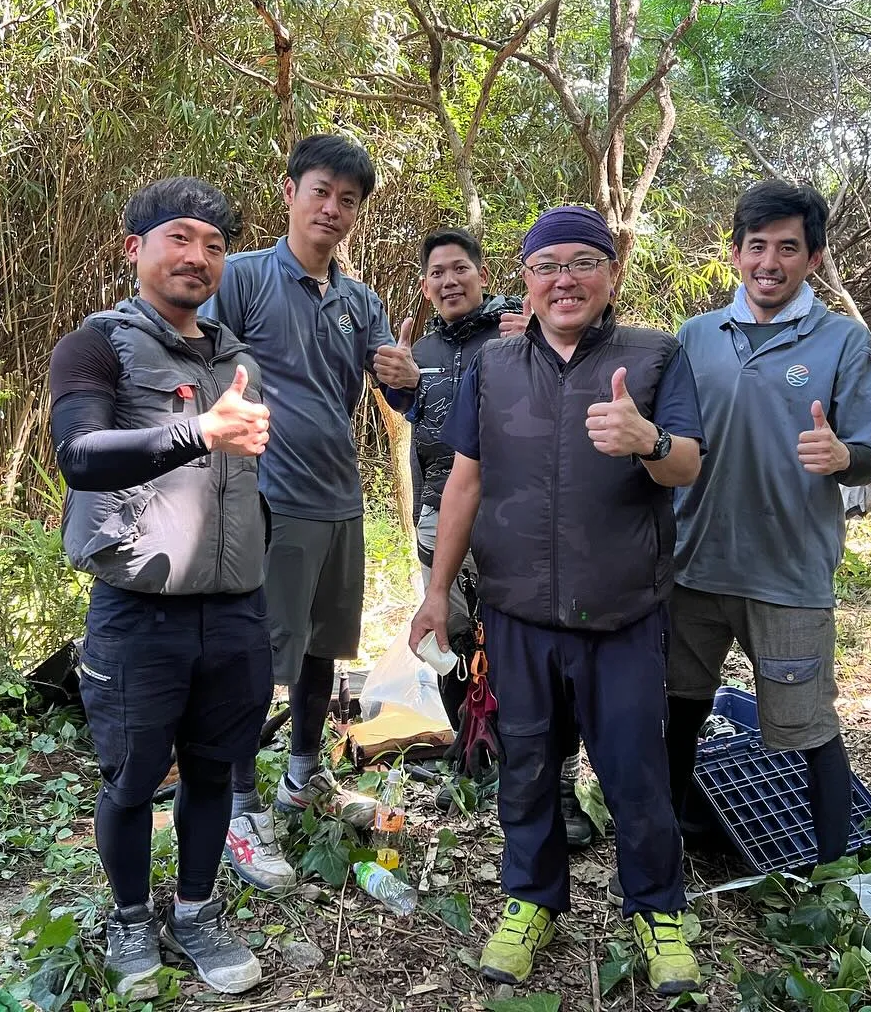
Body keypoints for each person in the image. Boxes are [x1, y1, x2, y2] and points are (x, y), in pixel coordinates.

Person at [410, 206, 707, 995]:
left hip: (622, 613)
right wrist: (438, 592)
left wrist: (646, 440)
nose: (563, 278)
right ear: (527, 280)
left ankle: (655, 910)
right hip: (516, 612)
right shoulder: (495, 365)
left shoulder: (654, 356)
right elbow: (465, 480)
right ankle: (532, 899)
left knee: (636, 772)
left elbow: (687, 465)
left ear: (611, 274)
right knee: (529, 765)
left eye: (582, 262)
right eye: (546, 266)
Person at [49, 177, 272, 997]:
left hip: (237, 610)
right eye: (180, 238)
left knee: (215, 774)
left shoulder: (234, 357)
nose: (199, 257)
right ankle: (130, 920)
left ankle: (199, 914)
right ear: (133, 248)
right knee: (134, 781)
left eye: (214, 246)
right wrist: (197, 430)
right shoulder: (94, 346)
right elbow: (79, 454)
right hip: (139, 615)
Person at [201, 135, 419, 892]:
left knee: (325, 648)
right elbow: (195, 366)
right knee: (260, 658)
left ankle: (302, 777)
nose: (333, 209)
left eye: (348, 200)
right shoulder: (246, 278)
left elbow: (399, 393)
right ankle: (239, 806)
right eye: (321, 191)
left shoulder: (361, 302)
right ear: (289, 189)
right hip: (271, 498)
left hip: (341, 499)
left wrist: (405, 376)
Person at [666, 179, 871, 867]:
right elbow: (664, 440)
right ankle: (669, 840)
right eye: (755, 246)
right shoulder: (694, 338)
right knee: (678, 711)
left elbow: (870, 452)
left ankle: (830, 870)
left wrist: (842, 454)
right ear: (734, 254)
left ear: (813, 258)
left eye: (787, 248)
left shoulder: (845, 343)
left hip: (788, 571)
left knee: (808, 727)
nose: (770, 262)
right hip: (691, 564)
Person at [409, 228, 594, 848]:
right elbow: (427, 427)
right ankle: (472, 746)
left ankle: (555, 777)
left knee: (526, 642)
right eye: (436, 273)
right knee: (451, 636)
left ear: (484, 275)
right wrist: (399, 385)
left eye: (459, 268)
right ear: (426, 285)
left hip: (516, 514)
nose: (448, 281)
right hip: (440, 509)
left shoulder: (518, 329)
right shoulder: (424, 348)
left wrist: (534, 339)